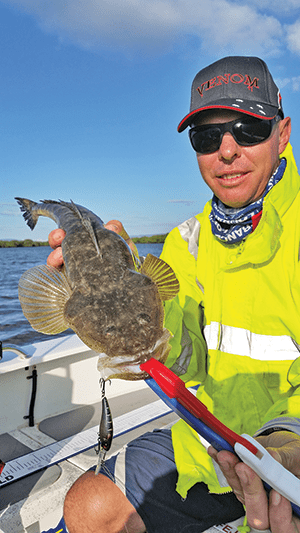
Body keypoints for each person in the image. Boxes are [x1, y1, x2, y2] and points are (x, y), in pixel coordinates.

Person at [47, 56, 300, 533]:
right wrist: (125, 299)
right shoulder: (183, 242)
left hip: (288, 455)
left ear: (281, 133)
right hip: (212, 442)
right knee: (88, 506)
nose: (227, 150)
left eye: (247, 128)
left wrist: (288, 442)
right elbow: (181, 357)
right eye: (207, 136)